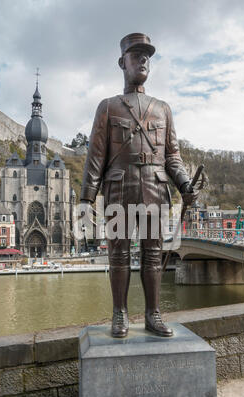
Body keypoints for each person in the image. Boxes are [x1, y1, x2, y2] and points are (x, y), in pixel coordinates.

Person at [80, 33, 197, 338]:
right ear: (123, 62)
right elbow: (95, 158)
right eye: (136, 55)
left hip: (156, 190)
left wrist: (184, 183)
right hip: (119, 189)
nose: (143, 60)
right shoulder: (107, 107)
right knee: (118, 254)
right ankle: (120, 314)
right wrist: (86, 200)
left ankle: (153, 314)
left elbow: (173, 157)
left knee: (153, 254)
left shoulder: (163, 109)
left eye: (147, 56)